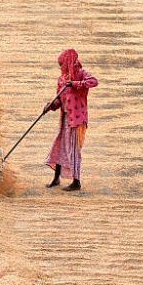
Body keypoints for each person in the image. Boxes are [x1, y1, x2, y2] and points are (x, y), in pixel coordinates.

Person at [43, 48, 98, 192]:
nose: (60, 67)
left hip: (77, 120)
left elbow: (94, 81)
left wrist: (75, 83)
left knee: (73, 150)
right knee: (60, 146)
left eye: (62, 64)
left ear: (67, 62)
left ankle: (76, 182)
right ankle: (56, 178)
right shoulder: (61, 80)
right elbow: (59, 102)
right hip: (65, 118)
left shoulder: (81, 73)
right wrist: (49, 106)